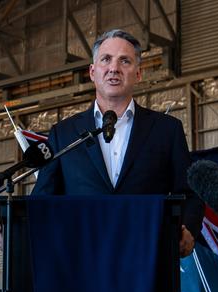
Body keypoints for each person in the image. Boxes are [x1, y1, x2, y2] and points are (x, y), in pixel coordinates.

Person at [30, 29, 203, 257]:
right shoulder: (64, 133)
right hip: (81, 260)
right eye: (106, 59)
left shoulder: (167, 130)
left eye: (125, 61)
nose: (114, 68)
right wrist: (14, 229)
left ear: (138, 74)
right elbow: (43, 197)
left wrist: (188, 230)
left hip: (148, 258)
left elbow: (189, 192)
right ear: (92, 72)